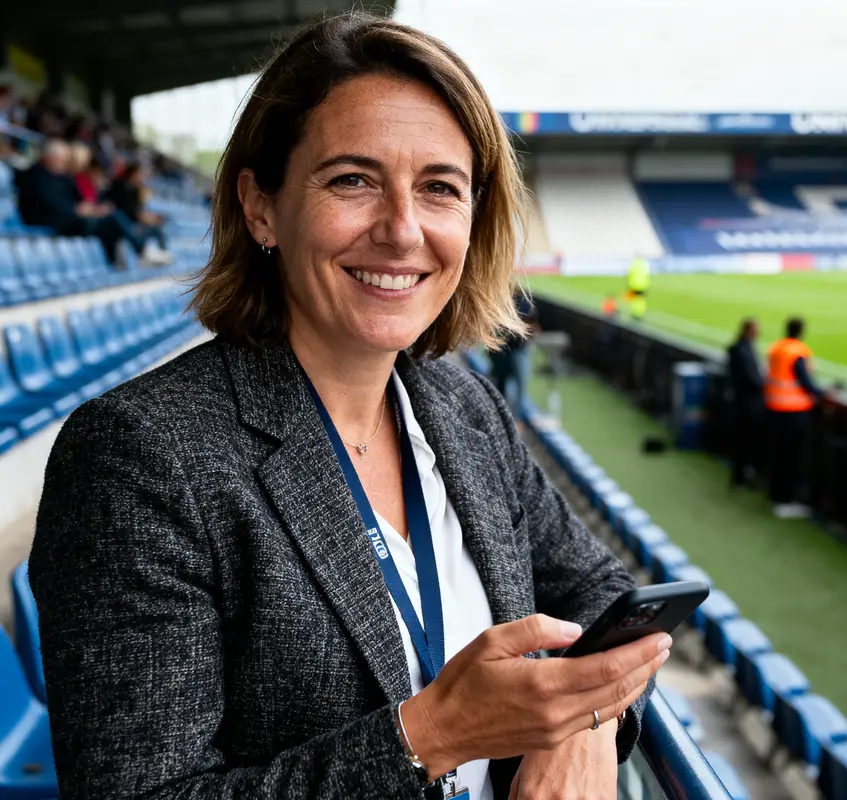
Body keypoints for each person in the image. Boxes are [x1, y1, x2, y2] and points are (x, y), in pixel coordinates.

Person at [30, 14, 666, 800]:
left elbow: (603, 594)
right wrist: (431, 736)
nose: (403, 231)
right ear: (261, 205)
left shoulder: (458, 402)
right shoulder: (139, 455)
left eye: (439, 188)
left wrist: (587, 727)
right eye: (352, 180)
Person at [17, 139, 172, 266]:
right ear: (50, 158)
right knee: (111, 220)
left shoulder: (60, 176)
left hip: (69, 218)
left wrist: (90, 209)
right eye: (62, 160)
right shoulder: (35, 176)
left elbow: (77, 201)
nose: (65, 164)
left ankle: (116, 263)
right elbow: (52, 205)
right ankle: (142, 252)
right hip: (51, 221)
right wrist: (78, 209)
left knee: (111, 220)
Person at [764, 317, 824, 518]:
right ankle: (786, 500)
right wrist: (821, 393)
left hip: (774, 408)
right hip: (793, 412)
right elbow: (805, 381)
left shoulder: (776, 348)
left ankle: (776, 496)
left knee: (778, 454)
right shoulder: (797, 352)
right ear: (801, 331)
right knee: (791, 457)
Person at [726, 317, 764, 487]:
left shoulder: (739, 348)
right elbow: (751, 379)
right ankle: (742, 475)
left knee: (743, 440)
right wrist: (763, 385)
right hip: (747, 403)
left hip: (742, 401)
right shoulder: (743, 351)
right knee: (746, 440)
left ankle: (741, 473)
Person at [488, 290, 539, 417]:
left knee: (520, 384)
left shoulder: (526, 303)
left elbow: (534, 326)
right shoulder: (499, 300)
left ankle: (516, 419)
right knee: (501, 382)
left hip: (519, 350)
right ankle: (500, 415)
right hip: (503, 350)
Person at [105, 162, 170, 252]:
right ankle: (143, 251)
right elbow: (131, 212)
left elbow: (139, 211)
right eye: (141, 174)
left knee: (157, 229)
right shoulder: (120, 186)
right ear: (134, 173)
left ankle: (163, 254)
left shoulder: (136, 190)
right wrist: (145, 218)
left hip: (133, 224)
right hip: (122, 224)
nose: (143, 178)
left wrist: (150, 217)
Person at [626, 255, 650, 320]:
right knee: (641, 300)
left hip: (634, 285)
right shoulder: (644, 264)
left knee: (634, 299)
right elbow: (647, 275)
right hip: (643, 285)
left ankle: (635, 313)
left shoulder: (634, 264)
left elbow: (630, 273)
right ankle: (640, 313)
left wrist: (629, 283)